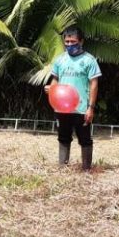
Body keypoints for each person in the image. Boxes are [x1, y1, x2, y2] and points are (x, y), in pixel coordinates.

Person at [46, 26, 101, 171]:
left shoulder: (89, 60)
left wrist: (91, 107)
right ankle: (62, 167)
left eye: (73, 41)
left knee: (85, 140)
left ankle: (86, 169)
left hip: (82, 109)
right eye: (67, 42)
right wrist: (51, 90)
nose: (69, 45)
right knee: (63, 137)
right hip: (62, 109)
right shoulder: (60, 60)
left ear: (81, 41)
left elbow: (94, 84)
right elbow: (55, 80)